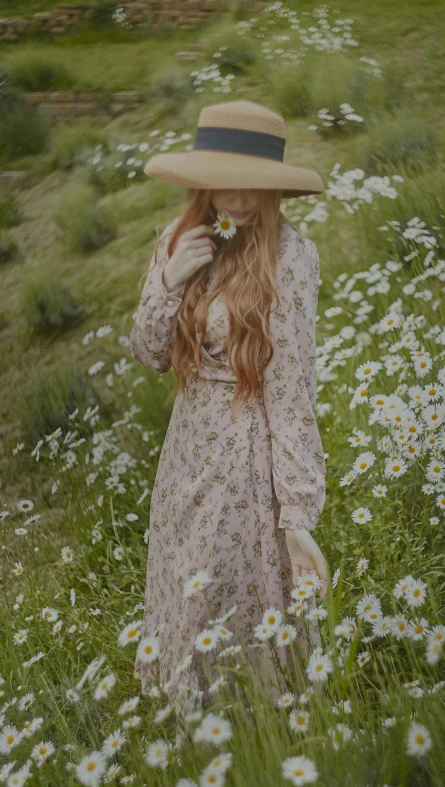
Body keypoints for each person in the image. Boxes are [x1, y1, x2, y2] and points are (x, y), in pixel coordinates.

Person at [130, 100, 328, 717]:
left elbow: (291, 391)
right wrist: (169, 281)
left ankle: (248, 728)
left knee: (230, 592)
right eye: (225, 182)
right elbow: (149, 354)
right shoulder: (179, 239)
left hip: (246, 452)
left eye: (255, 185)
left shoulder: (290, 257)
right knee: (183, 581)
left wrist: (296, 514)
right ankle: (185, 723)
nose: (238, 199)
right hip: (185, 448)